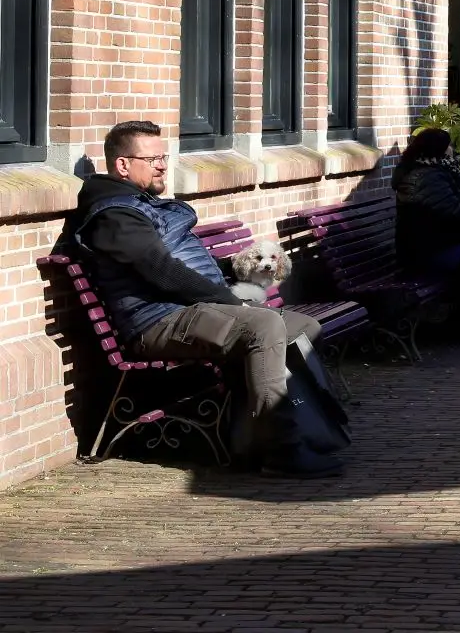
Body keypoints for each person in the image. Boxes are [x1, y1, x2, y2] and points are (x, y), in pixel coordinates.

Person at [72, 121, 342, 479]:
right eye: (152, 159)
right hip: (157, 321)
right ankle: (282, 449)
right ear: (123, 165)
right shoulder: (114, 216)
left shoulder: (138, 204)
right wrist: (230, 301)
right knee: (263, 326)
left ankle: (270, 430)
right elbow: (161, 270)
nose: (162, 166)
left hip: (190, 311)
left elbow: (178, 261)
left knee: (305, 326)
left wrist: (231, 268)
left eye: (164, 157)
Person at [391, 128, 460, 345]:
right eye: (448, 146)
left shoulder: (434, 170)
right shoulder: (426, 177)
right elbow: (455, 212)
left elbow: (459, 198)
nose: (452, 149)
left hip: (435, 243)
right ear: (438, 150)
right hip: (424, 252)